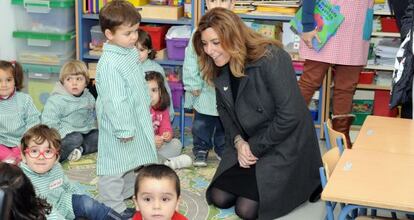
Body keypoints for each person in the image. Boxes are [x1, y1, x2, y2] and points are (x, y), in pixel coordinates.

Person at [192, 8, 322, 220]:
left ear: (233, 36)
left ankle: (310, 182)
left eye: (215, 42)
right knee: (218, 197)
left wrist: (253, 147)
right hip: (249, 140)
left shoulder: (271, 57)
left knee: (246, 210)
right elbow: (224, 111)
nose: (209, 50)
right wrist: (238, 142)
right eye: (205, 44)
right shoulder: (218, 63)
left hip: (284, 142)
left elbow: (290, 116)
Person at [96, 0, 158, 217]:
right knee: (114, 166)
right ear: (109, 34)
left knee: (133, 161)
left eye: (136, 31)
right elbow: (115, 100)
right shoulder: (110, 64)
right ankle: (112, 206)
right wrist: (123, 128)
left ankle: (123, 197)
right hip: (118, 124)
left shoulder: (129, 52)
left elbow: (136, 82)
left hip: (134, 117)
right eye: (128, 33)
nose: (134, 37)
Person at [299, 0, 374, 148]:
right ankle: (285, 134)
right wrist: (307, 25)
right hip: (325, 23)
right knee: (309, 82)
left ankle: (340, 141)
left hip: (357, 27)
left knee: (346, 89)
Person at [19, 124, 124, 219]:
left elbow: (69, 186)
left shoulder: (56, 168)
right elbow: (41, 211)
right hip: (42, 214)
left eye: (48, 151)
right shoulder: (22, 179)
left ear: (56, 158)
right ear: (23, 156)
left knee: (88, 204)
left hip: (63, 203)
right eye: (34, 151)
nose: (41, 157)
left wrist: (83, 200)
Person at [182, 0, 236, 167]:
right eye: (213, 1)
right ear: (206, 6)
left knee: (224, 123)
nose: (218, 4)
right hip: (205, 89)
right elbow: (191, 60)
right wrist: (193, 84)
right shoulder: (199, 33)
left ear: (232, 5)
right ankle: (201, 148)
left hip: (225, 90)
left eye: (223, 1)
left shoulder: (234, 31)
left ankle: (222, 148)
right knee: (202, 123)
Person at [41, 60, 98, 162]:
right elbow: (49, 122)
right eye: (69, 79)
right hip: (63, 135)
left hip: (84, 131)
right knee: (76, 138)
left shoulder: (88, 96)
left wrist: (91, 128)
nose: (74, 83)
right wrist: (61, 135)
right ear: (63, 82)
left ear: (86, 82)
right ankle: (55, 157)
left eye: (79, 79)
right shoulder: (57, 99)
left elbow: (90, 116)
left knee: (100, 136)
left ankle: (80, 150)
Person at [145, 71, 192, 170]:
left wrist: (167, 135)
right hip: (142, 148)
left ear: (161, 92)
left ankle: (156, 163)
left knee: (176, 144)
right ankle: (166, 163)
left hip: (158, 148)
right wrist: (151, 140)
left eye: (154, 90)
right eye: (145, 91)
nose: (150, 95)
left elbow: (166, 127)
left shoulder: (162, 110)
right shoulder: (137, 110)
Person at [0, 60, 40, 164]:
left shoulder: (24, 99)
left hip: (21, 140)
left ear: (15, 80)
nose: (4, 85)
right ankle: (13, 160)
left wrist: (24, 140)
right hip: (1, 142)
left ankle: (16, 159)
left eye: (8, 80)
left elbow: (33, 120)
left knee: (36, 145)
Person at [136, 29, 175, 120]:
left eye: (141, 50)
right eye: (134, 50)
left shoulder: (156, 69)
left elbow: (166, 92)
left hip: (154, 116)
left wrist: (169, 115)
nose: (137, 54)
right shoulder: (126, 67)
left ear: (149, 50)